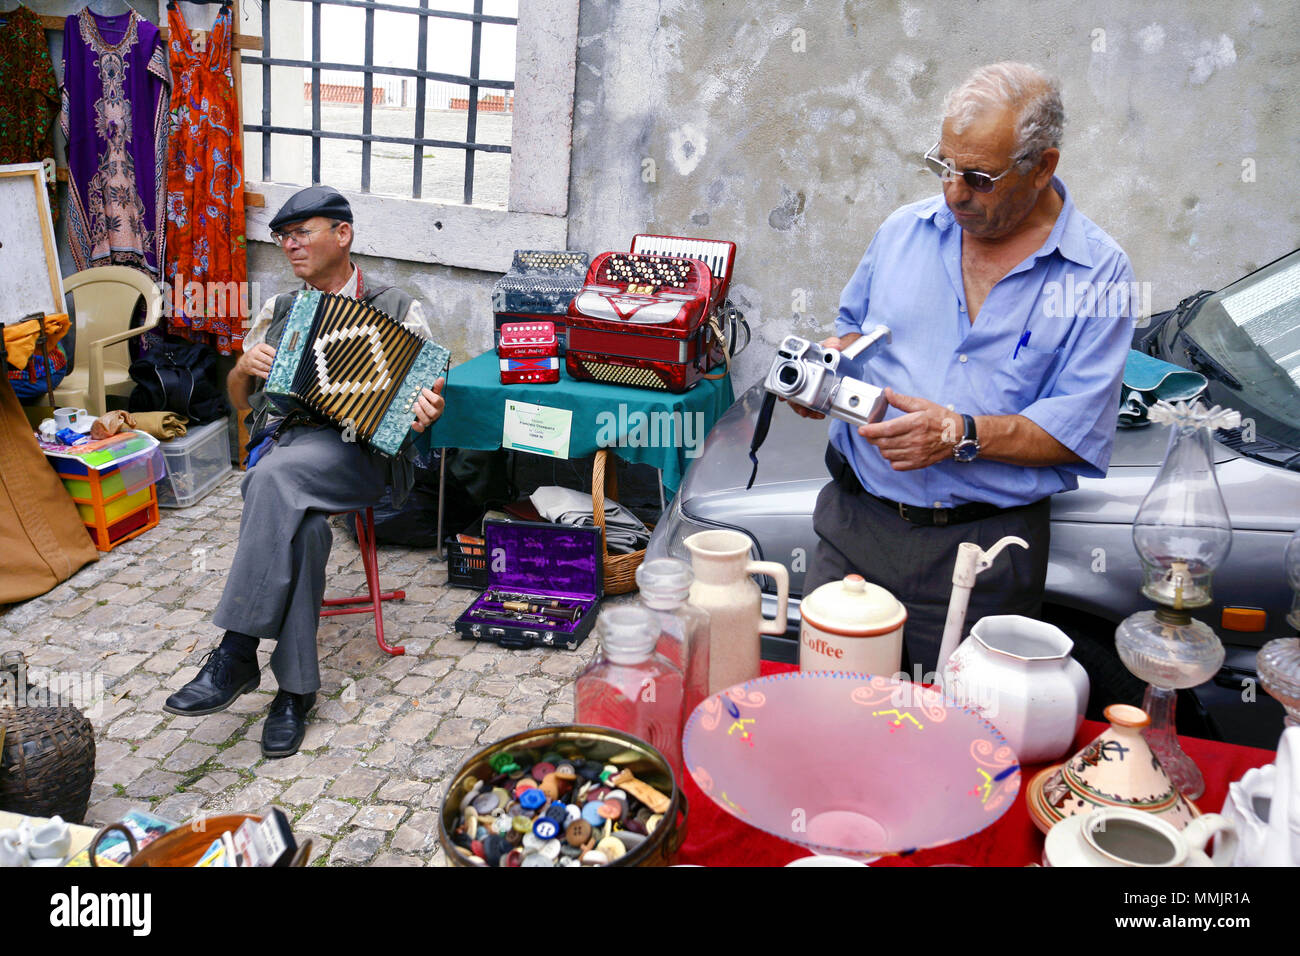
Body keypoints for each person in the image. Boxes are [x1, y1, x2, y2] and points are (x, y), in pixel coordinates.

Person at [799, 62, 1136, 675]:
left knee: (957, 745)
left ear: (1042, 168)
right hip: (855, 527)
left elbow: (1073, 431)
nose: (955, 192)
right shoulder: (904, 231)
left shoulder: (1099, 276)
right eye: (944, 166)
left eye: (980, 178)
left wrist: (960, 433)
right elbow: (852, 332)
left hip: (982, 556)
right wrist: (824, 372)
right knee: (829, 717)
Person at [164, 185, 446, 757]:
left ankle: (237, 649)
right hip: (294, 446)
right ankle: (294, 694)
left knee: (269, 480)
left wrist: (425, 413)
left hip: (362, 456)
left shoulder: (398, 309)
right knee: (306, 530)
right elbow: (241, 402)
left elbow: (419, 413)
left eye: (302, 234)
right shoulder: (281, 312)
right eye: (283, 238)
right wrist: (242, 368)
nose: (290, 247)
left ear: (342, 235)